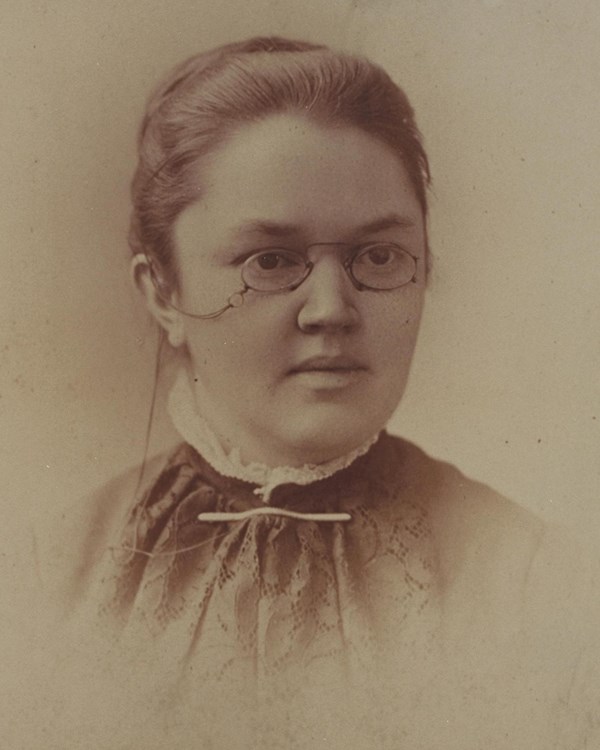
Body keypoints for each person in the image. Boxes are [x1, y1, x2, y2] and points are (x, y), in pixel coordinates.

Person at [35, 36, 598, 750]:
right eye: (271, 260)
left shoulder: (539, 583)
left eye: (379, 256)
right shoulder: (46, 580)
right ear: (163, 292)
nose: (331, 307)